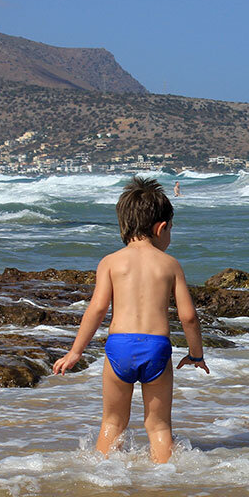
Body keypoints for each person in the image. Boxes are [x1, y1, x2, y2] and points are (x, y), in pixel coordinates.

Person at [51, 177, 209, 463]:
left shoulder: (110, 262)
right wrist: (196, 354)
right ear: (160, 227)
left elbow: (97, 310)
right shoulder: (170, 264)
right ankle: (165, 481)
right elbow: (189, 317)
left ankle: (101, 479)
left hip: (118, 348)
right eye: (170, 229)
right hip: (157, 349)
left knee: (113, 422)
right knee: (159, 425)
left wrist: (75, 352)